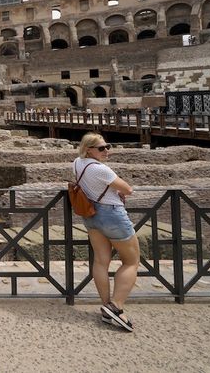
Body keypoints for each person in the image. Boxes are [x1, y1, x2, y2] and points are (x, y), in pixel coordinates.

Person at [72, 132, 139, 332]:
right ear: (88, 149)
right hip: (111, 215)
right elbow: (127, 189)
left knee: (101, 261)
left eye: (107, 146)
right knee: (131, 261)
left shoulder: (77, 162)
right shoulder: (102, 170)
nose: (107, 151)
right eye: (101, 148)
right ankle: (116, 306)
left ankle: (107, 306)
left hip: (91, 216)